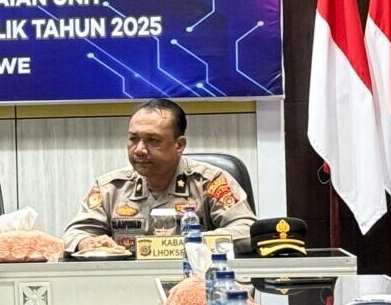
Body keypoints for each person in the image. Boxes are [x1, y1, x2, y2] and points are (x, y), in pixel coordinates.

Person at [63, 98, 256, 253]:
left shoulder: (211, 181)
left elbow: (246, 229)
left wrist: (189, 244)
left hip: (196, 280)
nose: (139, 149)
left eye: (153, 140)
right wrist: (88, 243)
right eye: (133, 139)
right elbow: (75, 233)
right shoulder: (110, 187)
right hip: (129, 283)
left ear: (179, 145)